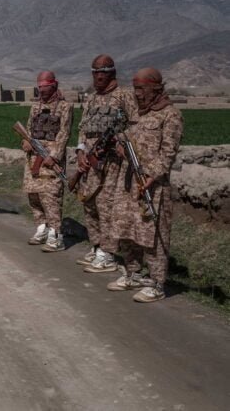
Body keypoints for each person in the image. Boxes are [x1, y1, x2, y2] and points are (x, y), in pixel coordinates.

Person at [106, 68, 183, 302]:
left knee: (154, 235)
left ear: (155, 88)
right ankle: (133, 274)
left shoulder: (170, 115)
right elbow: (127, 138)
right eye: (135, 89)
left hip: (153, 186)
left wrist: (151, 175)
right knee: (126, 229)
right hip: (129, 181)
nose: (137, 94)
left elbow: (168, 153)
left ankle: (157, 284)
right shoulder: (138, 113)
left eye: (141, 89)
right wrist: (120, 146)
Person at [74, 55, 138, 273]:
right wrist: (80, 151)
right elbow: (83, 128)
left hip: (112, 163)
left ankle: (108, 254)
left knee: (106, 205)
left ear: (112, 73)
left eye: (103, 72)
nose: (98, 76)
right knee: (89, 203)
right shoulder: (91, 99)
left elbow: (135, 126)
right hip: (90, 161)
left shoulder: (124, 96)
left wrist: (120, 141)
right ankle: (97, 246)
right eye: (95, 72)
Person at [22, 71, 74, 252]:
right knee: (33, 194)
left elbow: (64, 132)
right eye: (40, 87)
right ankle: (41, 228)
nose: (42, 90)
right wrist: (26, 142)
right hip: (33, 159)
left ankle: (56, 235)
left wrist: (55, 155)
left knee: (51, 196)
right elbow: (28, 129)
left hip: (50, 159)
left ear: (54, 85)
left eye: (45, 87)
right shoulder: (35, 106)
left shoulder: (65, 106)